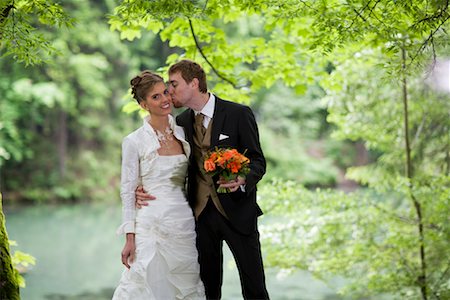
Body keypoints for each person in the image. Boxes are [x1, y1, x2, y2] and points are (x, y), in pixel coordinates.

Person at [136, 60, 269, 300]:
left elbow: (258, 161)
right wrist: (142, 188)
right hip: (199, 218)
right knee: (207, 290)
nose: (170, 91)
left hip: (238, 213)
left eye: (174, 84)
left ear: (194, 83)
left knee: (255, 288)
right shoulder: (181, 123)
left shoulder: (238, 114)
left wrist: (243, 178)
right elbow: (171, 166)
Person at [112, 70, 205, 300]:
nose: (164, 99)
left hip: (183, 222)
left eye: (165, 92)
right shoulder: (133, 141)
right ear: (144, 104)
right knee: (146, 283)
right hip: (149, 224)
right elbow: (127, 190)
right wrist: (129, 237)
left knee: (184, 284)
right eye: (155, 97)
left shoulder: (184, 133)